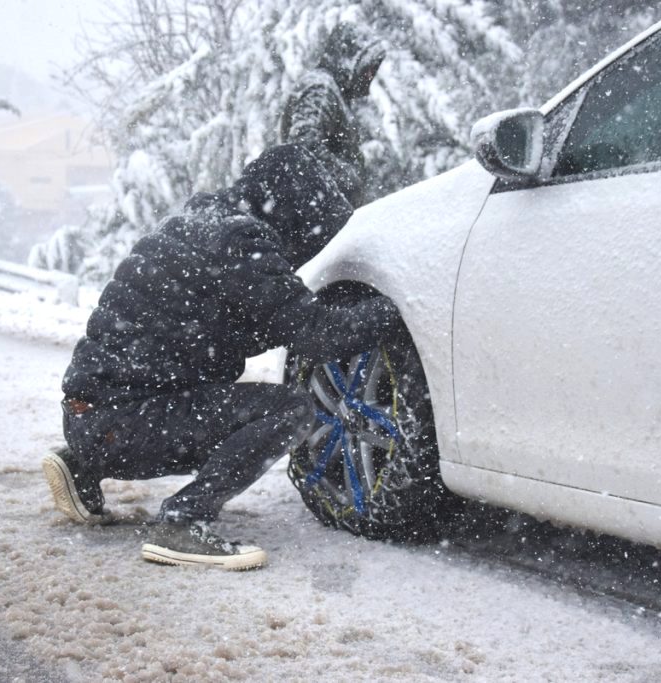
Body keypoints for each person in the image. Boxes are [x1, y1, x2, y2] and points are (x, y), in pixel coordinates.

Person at [43, 144, 401, 570]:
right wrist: (399, 305)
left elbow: (240, 325)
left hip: (92, 416)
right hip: (123, 423)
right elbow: (316, 335)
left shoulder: (202, 227)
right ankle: (181, 522)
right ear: (291, 214)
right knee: (290, 410)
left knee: (209, 402)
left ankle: (82, 463)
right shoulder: (240, 245)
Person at [280, 22, 385, 209]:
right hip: (316, 215)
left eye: (373, 69)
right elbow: (302, 145)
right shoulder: (322, 88)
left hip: (321, 211)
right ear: (348, 57)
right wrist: (347, 178)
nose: (370, 75)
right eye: (367, 67)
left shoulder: (332, 90)